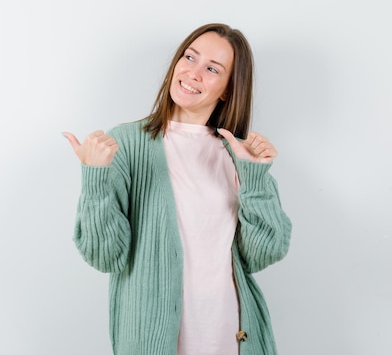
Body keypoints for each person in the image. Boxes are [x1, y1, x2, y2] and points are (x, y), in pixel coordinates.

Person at [63, 23, 292, 355]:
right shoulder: (127, 144)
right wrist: (95, 177)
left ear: (228, 89)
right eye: (190, 57)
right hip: (151, 340)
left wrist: (255, 177)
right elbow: (105, 255)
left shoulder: (239, 153)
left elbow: (264, 253)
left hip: (232, 337)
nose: (193, 72)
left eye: (212, 69)